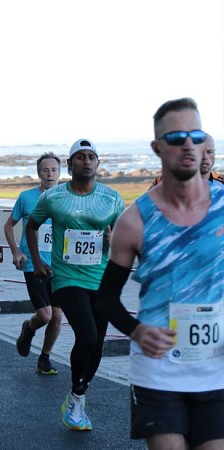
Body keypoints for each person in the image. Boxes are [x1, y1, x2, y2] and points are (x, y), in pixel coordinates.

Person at [97, 98, 224, 449]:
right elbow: (106, 299)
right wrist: (136, 331)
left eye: (196, 135)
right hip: (159, 370)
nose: (189, 145)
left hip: (216, 368)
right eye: (177, 136)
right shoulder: (134, 220)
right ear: (157, 147)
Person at [25, 138, 125, 431]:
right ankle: (76, 394)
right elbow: (31, 226)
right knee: (88, 335)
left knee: (97, 346)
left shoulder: (112, 198)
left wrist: (114, 240)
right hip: (67, 278)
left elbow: (124, 235)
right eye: (79, 157)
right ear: (70, 164)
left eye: (90, 157)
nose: (86, 161)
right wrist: (38, 262)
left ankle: (78, 395)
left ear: (98, 163)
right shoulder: (53, 197)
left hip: (102, 279)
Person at [4, 152, 63, 374]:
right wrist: (15, 251)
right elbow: (9, 225)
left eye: (54, 170)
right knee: (45, 315)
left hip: (59, 266)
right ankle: (29, 328)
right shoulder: (27, 197)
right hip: (33, 264)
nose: (50, 174)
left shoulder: (66, 198)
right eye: (45, 170)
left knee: (57, 317)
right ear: (39, 173)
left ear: (59, 172)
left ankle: (45, 358)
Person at [149, 133, 223, 188]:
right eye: (199, 152)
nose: (205, 157)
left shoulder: (221, 184)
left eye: (210, 152)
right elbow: (143, 207)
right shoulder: (162, 183)